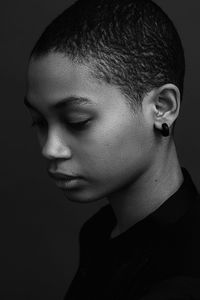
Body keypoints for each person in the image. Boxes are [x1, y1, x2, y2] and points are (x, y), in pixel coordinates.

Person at [24, 0, 200, 298]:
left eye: (77, 121)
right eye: (39, 122)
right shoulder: (100, 231)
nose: (50, 149)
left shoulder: (182, 277)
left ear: (162, 108)